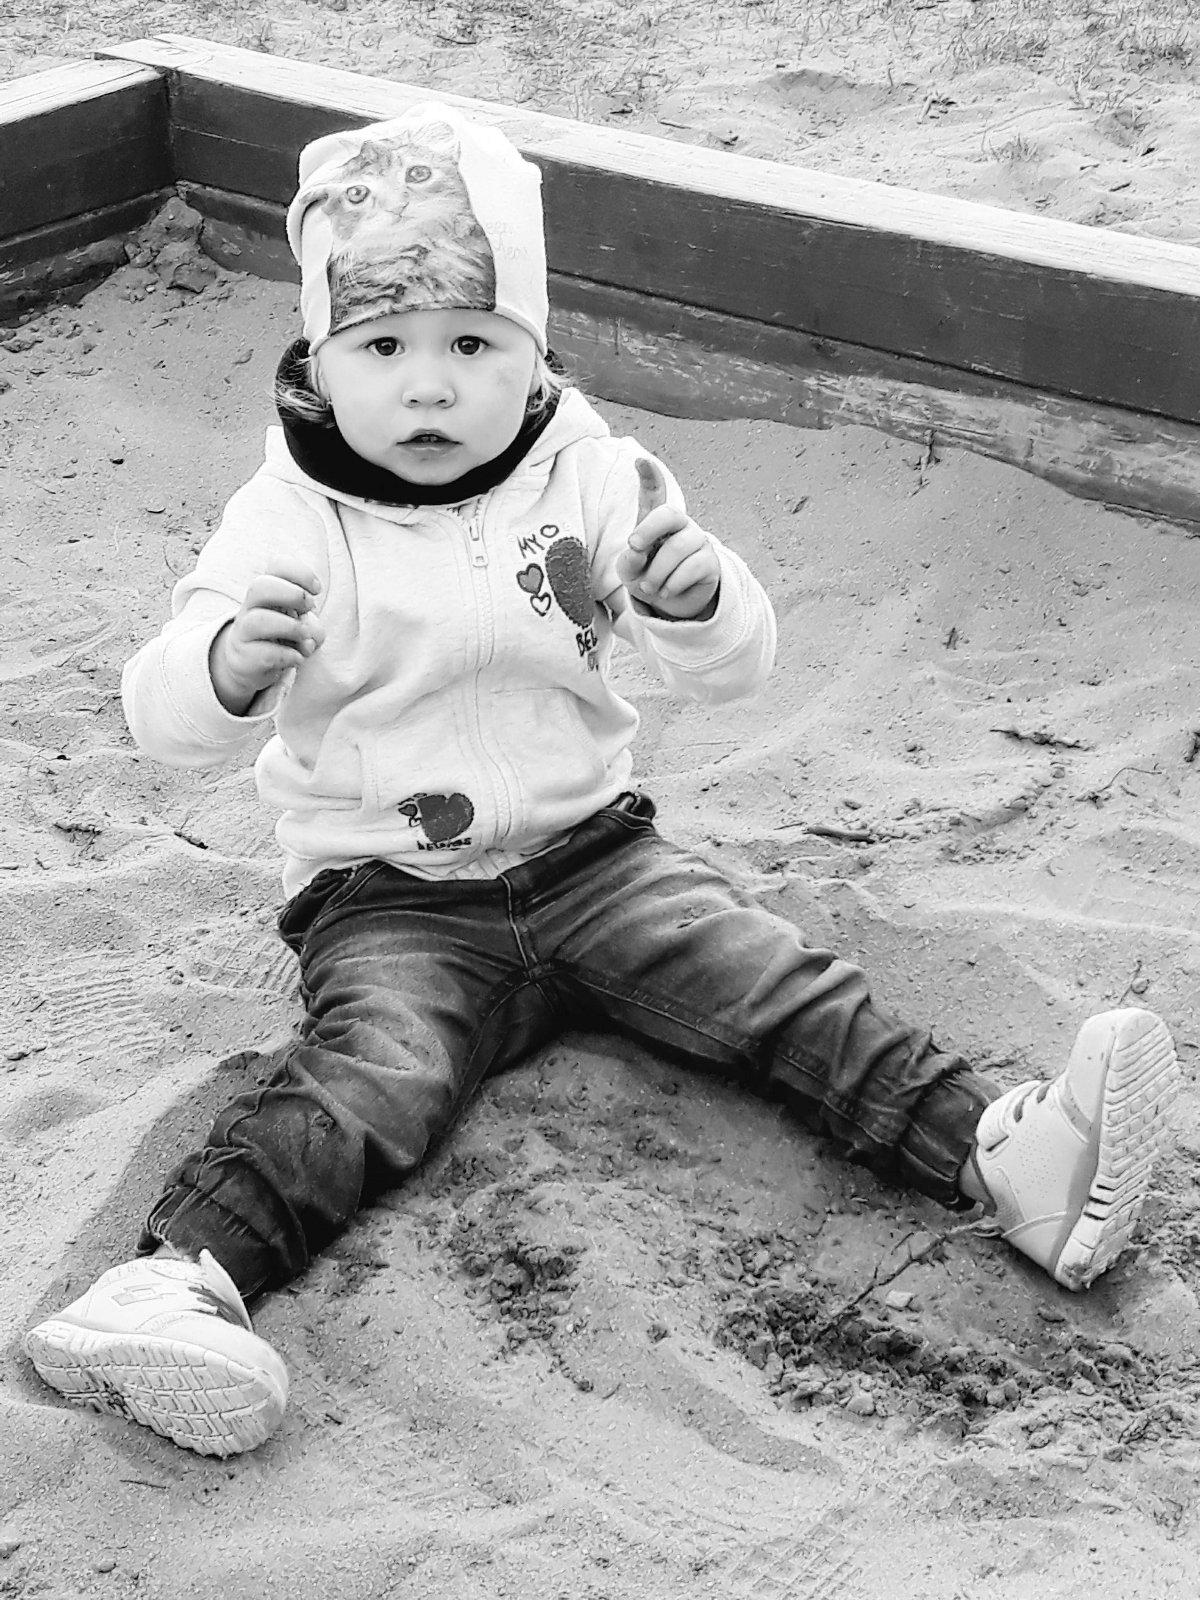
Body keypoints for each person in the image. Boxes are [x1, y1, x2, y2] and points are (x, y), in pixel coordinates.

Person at [24, 106, 1180, 1460]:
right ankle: (174, 1284)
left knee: (776, 981)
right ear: (321, 359)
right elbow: (162, 721)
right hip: (392, 895)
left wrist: (697, 601)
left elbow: (735, 668)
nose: (429, 386)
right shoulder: (287, 517)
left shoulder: (595, 471)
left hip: (594, 857)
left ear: (536, 347)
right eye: (383, 348)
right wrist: (222, 668)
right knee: (377, 1077)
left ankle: (1008, 1157)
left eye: (473, 344)